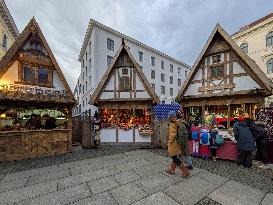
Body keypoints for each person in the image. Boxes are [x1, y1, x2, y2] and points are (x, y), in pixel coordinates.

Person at [165, 111, 190, 177]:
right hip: (178, 143)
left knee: (175, 158)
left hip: (173, 143)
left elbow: (172, 136)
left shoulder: (172, 124)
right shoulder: (178, 122)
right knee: (175, 157)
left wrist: (169, 143)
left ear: (170, 117)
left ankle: (185, 171)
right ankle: (172, 170)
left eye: (169, 116)